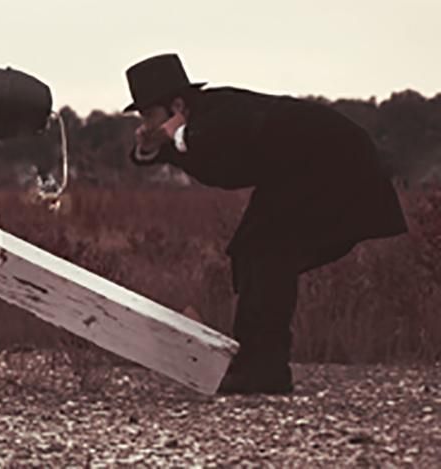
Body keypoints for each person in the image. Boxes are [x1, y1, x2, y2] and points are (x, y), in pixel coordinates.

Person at [124, 53, 406, 395]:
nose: (146, 123)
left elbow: (205, 141)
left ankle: (265, 370)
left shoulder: (221, 114)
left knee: (271, 255)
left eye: (149, 115)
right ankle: (254, 364)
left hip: (335, 167)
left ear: (178, 105)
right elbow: (198, 155)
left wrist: (176, 135)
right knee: (253, 251)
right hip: (294, 176)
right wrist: (151, 146)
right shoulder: (198, 126)